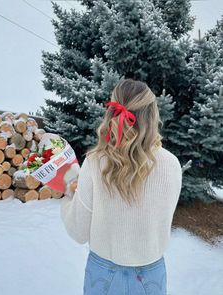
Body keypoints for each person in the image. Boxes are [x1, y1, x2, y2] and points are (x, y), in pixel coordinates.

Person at [60, 78, 182, 295]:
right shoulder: (172, 164)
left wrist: (69, 193)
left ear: (111, 113)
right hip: (151, 274)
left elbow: (78, 232)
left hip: (103, 274)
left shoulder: (95, 161)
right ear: (153, 116)